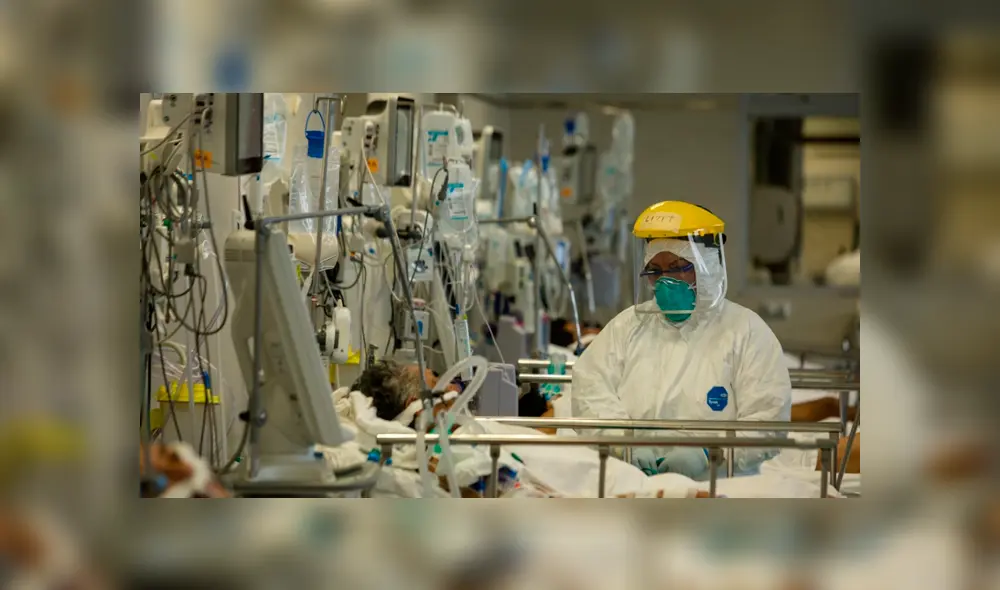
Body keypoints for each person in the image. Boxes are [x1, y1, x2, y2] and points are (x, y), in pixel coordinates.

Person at [572, 201, 792, 480]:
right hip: (632, 479)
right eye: (655, 270)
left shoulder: (746, 332)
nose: (665, 281)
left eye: (677, 267)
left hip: (720, 486)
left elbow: (768, 420)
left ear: (708, 267)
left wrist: (709, 453)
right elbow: (590, 387)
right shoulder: (628, 327)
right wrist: (622, 441)